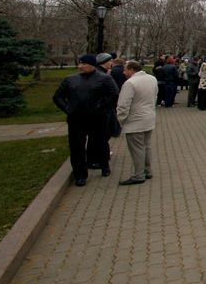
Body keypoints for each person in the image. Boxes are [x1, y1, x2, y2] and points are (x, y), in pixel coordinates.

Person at [53, 54, 119, 186]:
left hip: (97, 118)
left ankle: (104, 165)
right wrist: (68, 109)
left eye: (84, 64)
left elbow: (114, 94)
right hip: (76, 119)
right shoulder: (70, 80)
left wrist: (101, 107)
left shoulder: (104, 78)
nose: (80, 66)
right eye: (79, 64)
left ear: (92, 65)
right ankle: (80, 174)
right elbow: (57, 97)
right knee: (76, 147)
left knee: (100, 143)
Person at [116, 60, 159, 185]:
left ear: (131, 69)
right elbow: (155, 96)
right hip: (149, 117)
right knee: (146, 146)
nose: (123, 72)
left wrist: (121, 120)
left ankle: (138, 175)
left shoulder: (130, 83)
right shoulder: (152, 79)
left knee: (137, 149)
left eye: (125, 70)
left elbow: (123, 105)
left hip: (135, 120)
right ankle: (147, 170)